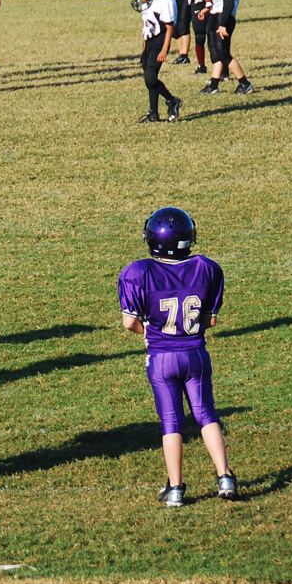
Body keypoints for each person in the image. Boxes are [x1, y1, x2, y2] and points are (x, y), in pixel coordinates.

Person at [119, 207, 236, 507]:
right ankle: (225, 477)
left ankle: (175, 488)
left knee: (171, 421)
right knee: (206, 414)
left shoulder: (138, 273)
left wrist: (149, 331)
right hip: (196, 353)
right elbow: (210, 321)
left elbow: (130, 322)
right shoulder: (208, 268)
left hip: (161, 358)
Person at [198, 0, 252, 95]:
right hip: (217, 14)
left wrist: (222, 24)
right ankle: (214, 84)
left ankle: (244, 83)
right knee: (216, 50)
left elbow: (228, 2)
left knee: (224, 53)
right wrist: (207, 7)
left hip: (224, 17)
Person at [130, 0, 182, 123]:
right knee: (149, 78)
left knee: (151, 78)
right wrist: (145, 46)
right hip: (150, 43)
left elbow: (169, 27)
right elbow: (147, 27)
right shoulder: (147, 3)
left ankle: (172, 100)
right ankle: (153, 113)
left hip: (159, 42)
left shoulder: (163, 2)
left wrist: (165, 49)